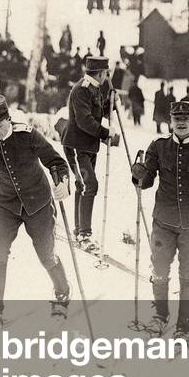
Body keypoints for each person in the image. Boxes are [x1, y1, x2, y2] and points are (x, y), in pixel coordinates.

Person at [0, 94, 73, 327]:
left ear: (8, 119)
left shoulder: (27, 134)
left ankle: (62, 292)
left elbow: (56, 161)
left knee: (46, 255)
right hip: (6, 205)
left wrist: (63, 182)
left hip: (37, 204)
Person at [130, 100, 189, 341]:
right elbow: (147, 180)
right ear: (170, 121)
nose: (181, 123)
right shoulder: (159, 147)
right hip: (163, 222)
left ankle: (183, 325)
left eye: (186, 119)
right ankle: (160, 316)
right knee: (160, 271)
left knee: (187, 274)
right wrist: (138, 175)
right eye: (176, 119)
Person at [62, 56, 119, 251]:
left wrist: (110, 102)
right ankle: (84, 235)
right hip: (77, 147)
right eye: (106, 74)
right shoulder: (82, 89)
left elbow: (96, 112)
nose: (106, 77)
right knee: (90, 185)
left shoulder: (94, 88)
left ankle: (79, 231)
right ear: (102, 73)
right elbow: (84, 121)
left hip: (88, 146)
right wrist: (106, 133)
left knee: (83, 186)